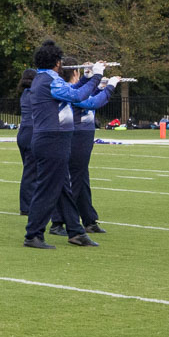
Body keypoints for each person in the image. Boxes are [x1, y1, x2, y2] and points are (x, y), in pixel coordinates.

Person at [22, 41, 104, 249]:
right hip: (52, 140)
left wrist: (86, 77)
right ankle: (33, 234)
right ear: (57, 62)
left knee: (63, 188)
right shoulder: (50, 80)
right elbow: (77, 96)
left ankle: (76, 232)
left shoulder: (47, 79)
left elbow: (72, 89)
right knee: (48, 189)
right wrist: (97, 76)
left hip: (53, 140)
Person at [48, 60, 119, 237]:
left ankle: (88, 219)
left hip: (84, 134)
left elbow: (91, 95)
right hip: (76, 134)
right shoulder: (68, 91)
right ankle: (58, 221)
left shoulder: (75, 89)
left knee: (81, 179)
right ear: (74, 73)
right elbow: (92, 103)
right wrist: (109, 86)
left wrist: (97, 84)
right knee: (74, 180)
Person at [15, 68, 37, 215]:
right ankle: (26, 206)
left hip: (23, 132)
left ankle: (30, 202)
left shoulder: (25, 93)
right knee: (31, 171)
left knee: (30, 170)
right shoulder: (34, 94)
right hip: (32, 132)